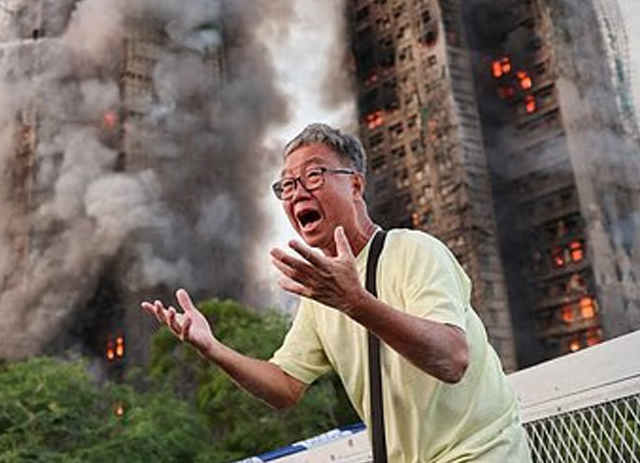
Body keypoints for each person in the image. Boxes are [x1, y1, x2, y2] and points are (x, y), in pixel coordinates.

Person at [141, 123, 531, 462]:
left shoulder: (414, 250)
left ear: (356, 184)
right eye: (287, 185)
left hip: (481, 454)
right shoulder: (321, 295)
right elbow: (284, 387)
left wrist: (355, 302)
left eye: (313, 176)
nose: (296, 193)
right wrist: (212, 347)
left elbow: (452, 358)